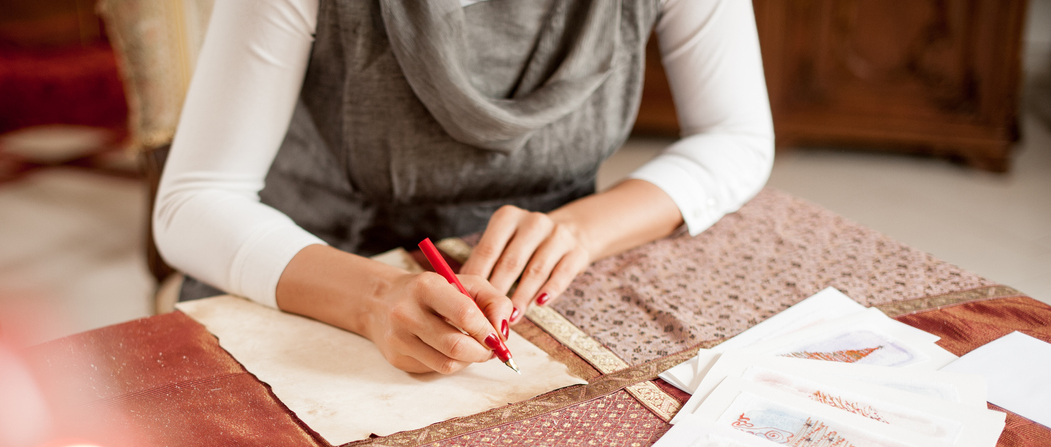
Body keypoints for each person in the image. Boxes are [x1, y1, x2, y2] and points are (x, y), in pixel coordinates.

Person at [155, 0, 773, 374]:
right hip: (323, 276)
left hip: (534, 301)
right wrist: (373, 298)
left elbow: (737, 136)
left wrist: (581, 229)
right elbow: (194, 204)